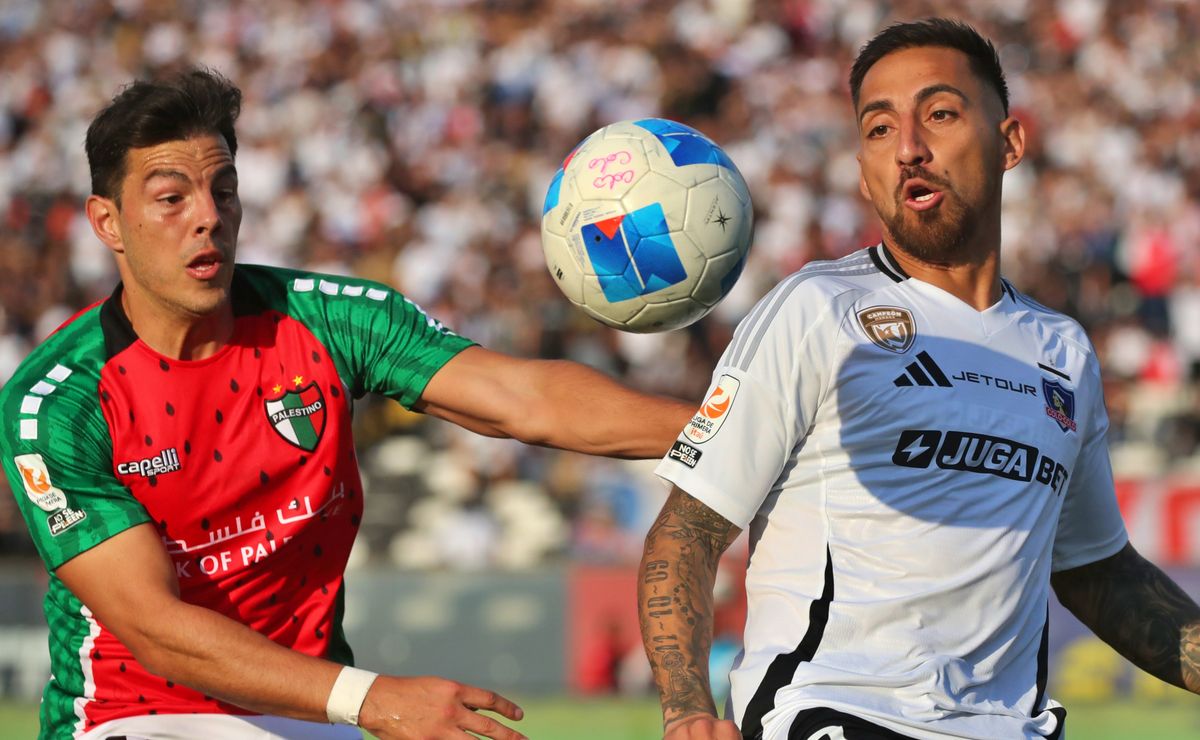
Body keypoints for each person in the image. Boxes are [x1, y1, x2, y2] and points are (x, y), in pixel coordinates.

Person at [0, 69, 694, 740]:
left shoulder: (330, 318)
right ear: (108, 222)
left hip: (309, 707)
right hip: (138, 715)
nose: (209, 217)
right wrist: (374, 700)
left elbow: (523, 399)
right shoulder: (53, 403)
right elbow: (156, 630)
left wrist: (729, 429)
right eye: (171, 198)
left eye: (225, 189)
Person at [639, 17, 1200, 740]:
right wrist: (688, 709)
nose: (907, 149)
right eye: (878, 129)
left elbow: (1098, 572)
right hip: (836, 714)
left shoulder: (1062, 350)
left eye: (939, 114)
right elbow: (688, 529)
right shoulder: (817, 311)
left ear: (1009, 142)